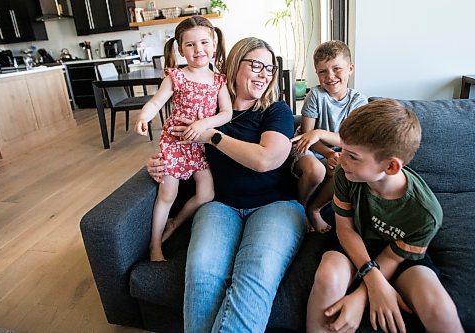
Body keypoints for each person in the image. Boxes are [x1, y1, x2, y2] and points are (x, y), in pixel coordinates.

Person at [147, 37, 306, 332]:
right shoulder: (205, 109)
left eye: (269, 69)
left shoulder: (275, 111)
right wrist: (158, 163)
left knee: (255, 274)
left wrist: (213, 136)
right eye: (256, 65)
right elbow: (174, 144)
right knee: (201, 273)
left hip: (276, 206)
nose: (264, 74)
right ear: (234, 64)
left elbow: (267, 159)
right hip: (220, 206)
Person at [306, 99, 464, 333]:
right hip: (353, 242)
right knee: (328, 278)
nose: (341, 159)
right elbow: (345, 230)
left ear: (390, 167)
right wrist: (373, 280)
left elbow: (394, 256)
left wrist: (362, 295)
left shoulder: (426, 214)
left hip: (397, 256)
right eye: (344, 149)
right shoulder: (345, 173)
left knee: (438, 307)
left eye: (353, 155)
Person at [135, 16, 232, 261]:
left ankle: (175, 223)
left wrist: (204, 123)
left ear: (214, 45)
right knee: (168, 193)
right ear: (180, 49)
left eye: (204, 42)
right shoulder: (176, 77)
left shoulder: (219, 81)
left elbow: (226, 113)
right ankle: (155, 245)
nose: (198, 49)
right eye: (190, 45)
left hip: (200, 145)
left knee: (207, 193)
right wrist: (143, 117)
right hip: (176, 142)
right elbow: (157, 101)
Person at [291, 40, 367, 234]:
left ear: (350, 69)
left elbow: (354, 141)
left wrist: (322, 136)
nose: (330, 76)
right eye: (323, 71)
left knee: (345, 171)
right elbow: (307, 137)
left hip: (340, 152)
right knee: (316, 170)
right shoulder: (315, 96)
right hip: (307, 148)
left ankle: (314, 209)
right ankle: (300, 208)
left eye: (336, 69)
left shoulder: (358, 101)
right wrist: (326, 150)